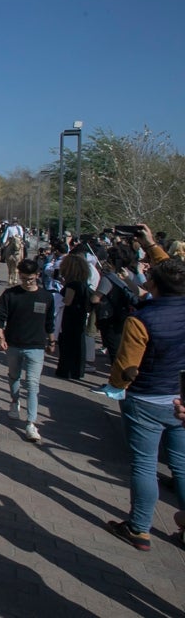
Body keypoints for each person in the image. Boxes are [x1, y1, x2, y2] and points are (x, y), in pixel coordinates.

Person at [105, 224, 184, 552]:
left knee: (144, 464)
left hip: (147, 398)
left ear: (153, 284)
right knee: (180, 462)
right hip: (179, 397)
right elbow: (173, 274)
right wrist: (151, 245)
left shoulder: (142, 320)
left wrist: (113, 388)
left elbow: (125, 368)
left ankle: (139, 527)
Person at [0, 259, 56, 442]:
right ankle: (14, 402)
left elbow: (49, 323)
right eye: (23, 278)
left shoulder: (46, 297)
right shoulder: (11, 295)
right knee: (14, 376)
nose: (27, 281)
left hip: (36, 346)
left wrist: (52, 341)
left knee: (33, 385)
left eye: (30, 278)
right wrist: (0, 337)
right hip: (13, 344)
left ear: (37, 275)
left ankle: (31, 422)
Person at [54, 253, 91, 379]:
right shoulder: (83, 283)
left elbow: (68, 301)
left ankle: (66, 370)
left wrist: (58, 299)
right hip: (79, 315)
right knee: (78, 343)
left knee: (67, 344)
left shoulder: (72, 284)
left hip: (69, 316)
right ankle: (76, 370)